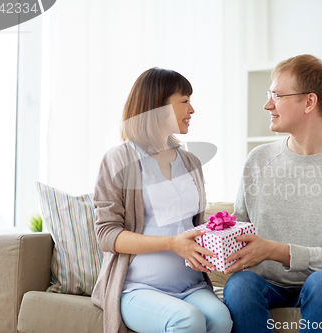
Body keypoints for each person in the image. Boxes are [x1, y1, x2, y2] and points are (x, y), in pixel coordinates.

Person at [222, 54, 322, 333]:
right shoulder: (258, 159)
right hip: (267, 284)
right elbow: (240, 229)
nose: (267, 105)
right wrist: (216, 241)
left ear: (309, 102)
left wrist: (274, 250)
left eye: (277, 96)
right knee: (240, 285)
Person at [91, 68, 232, 333]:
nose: (192, 109)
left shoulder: (190, 161)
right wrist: (172, 244)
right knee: (187, 320)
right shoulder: (119, 160)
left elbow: (191, 225)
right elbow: (108, 235)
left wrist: (215, 242)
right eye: (184, 101)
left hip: (191, 286)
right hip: (137, 288)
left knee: (222, 319)